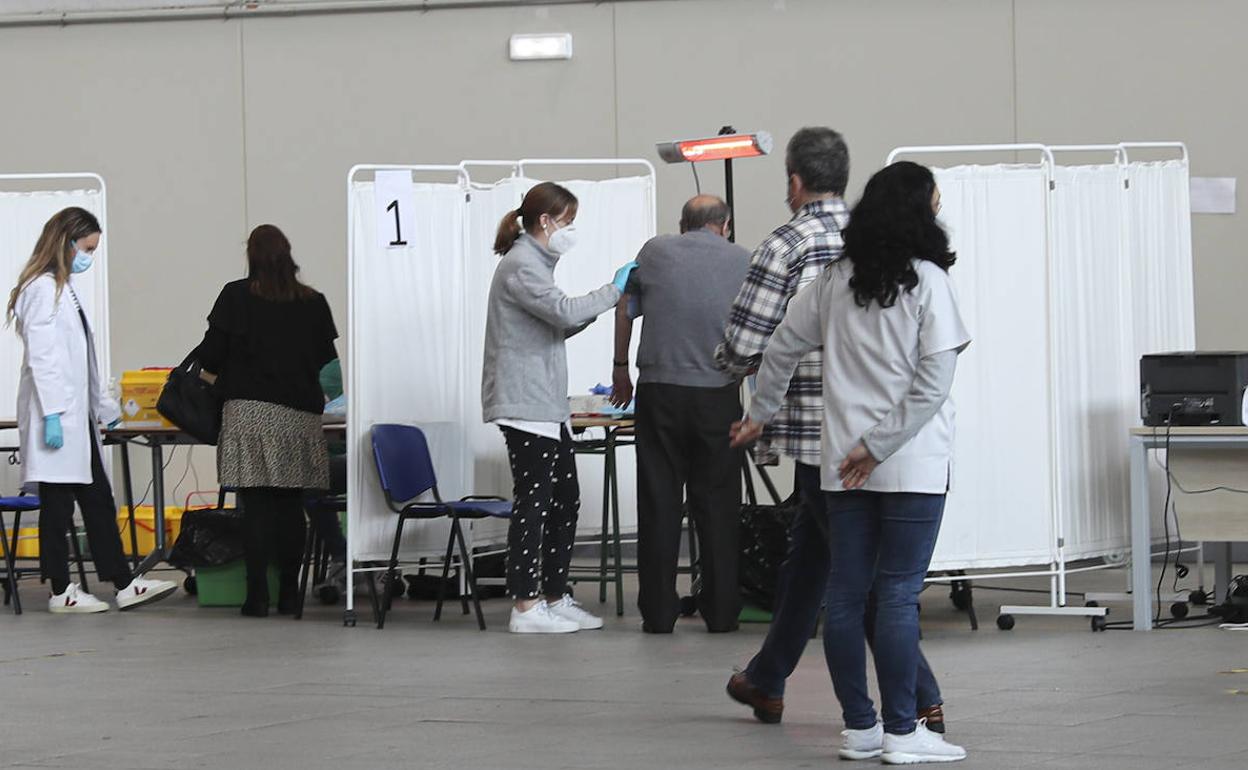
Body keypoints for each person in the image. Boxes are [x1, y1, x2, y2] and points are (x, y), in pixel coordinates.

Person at [731, 161, 970, 764]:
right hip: (909, 463)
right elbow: (933, 383)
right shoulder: (929, 281)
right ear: (922, 209)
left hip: (840, 460)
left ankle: (861, 728)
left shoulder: (836, 279)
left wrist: (761, 412)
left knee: (845, 596)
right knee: (894, 597)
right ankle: (902, 732)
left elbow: (780, 344)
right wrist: (882, 444)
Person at [482, 181, 637, 634]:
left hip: (544, 404)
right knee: (535, 503)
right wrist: (613, 290)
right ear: (546, 221)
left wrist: (590, 307)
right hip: (524, 403)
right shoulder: (521, 265)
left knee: (565, 499)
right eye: (568, 221)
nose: (572, 230)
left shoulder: (536, 264)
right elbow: (563, 313)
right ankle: (526, 607)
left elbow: (556, 322)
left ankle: (553, 593)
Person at [7, 207, 177, 613]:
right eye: (87, 248)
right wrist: (52, 414)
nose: (89, 257)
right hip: (59, 419)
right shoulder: (41, 290)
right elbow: (45, 360)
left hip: (76, 420)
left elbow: (84, 362)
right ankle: (61, 591)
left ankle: (123, 583)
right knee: (58, 507)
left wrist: (105, 408)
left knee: (99, 501)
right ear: (65, 242)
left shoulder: (64, 291)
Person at [609, 195, 750, 633]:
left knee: (659, 501)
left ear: (681, 224)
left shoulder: (653, 251)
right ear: (724, 225)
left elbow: (625, 309)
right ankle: (722, 612)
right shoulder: (744, 260)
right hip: (718, 394)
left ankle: (657, 613)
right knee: (719, 505)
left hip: (659, 392)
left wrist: (619, 369)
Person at [197, 224, 339, 618]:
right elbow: (326, 359)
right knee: (292, 508)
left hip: (249, 412)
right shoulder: (314, 301)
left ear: (252, 256)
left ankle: (257, 596)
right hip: (298, 414)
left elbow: (210, 355)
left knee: (255, 507)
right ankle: (291, 594)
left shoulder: (235, 296)